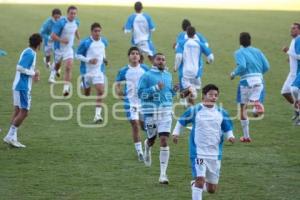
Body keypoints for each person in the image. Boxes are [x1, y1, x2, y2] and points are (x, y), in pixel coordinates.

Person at [172, 84, 235, 200]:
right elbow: (181, 121)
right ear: (204, 95)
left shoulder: (221, 112)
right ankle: (197, 185)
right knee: (200, 180)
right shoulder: (195, 110)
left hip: (215, 154)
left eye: (216, 95)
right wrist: (176, 133)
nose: (214, 97)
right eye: (211, 94)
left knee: (211, 189)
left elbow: (227, 128)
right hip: (198, 152)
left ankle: (194, 185)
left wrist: (230, 136)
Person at [138, 53, 178, 184]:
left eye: (164, 59)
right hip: (150, 112)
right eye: (159, 59)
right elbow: (140, 94)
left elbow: (168, 94)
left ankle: (163, 175)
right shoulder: (147, 76)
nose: (162, 61)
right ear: (153, 61)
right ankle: (147, 145)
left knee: (164, 140)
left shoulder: (168, 75)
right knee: (152, 139)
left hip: (165, 112)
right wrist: (155, 88)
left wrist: (174, 90)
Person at [3, 33, 42, 148]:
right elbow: (19, 67)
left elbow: (25, 68)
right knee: (24, 112)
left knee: (17, 111)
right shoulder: (31, 53)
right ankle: (10, 136)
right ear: (39, 44)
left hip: (19, 85)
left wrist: (34, 74)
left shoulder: (27, 51)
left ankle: (13, 138)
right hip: (22, 87)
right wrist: (33, 73)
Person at [230, 32, 270, 142]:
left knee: (243, 109)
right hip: (259, 81)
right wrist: (258, 73)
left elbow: (242, 66)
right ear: (250, 40)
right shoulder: (258, 51)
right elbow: (267, 66)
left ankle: (246, 136)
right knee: (254, 100)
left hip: (245, 82)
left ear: (240, 41)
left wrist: (233, 74)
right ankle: (256, 105)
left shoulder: (239, 52)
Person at [115, 47, 149, 161]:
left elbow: (151, 80)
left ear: (139, 57)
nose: (135, 55)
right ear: (129, 56)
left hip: (143, 103)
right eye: (132, 54)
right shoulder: (124, 70)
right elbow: (117, 82)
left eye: (137, 54)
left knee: (144, 125)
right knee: (135, 125)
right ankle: (140, 152)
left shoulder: (145, 69)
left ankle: (147, 134)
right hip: (130, 103)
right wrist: (119, 91)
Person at [174, 26, 214, 106]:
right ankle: (191, 107)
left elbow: (178, 56)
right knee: (195, 91)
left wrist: (175, 67)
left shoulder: (182, 43)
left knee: (183, 92)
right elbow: (211, 57)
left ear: (186, 33)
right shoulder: (200, 44)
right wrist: (208, 61)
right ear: (195, 34)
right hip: (196, 72)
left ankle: (189, 91)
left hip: (185, 72)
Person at [76, 22, 108, 123]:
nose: (97, 33)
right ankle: (84, 83)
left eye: (99, 31)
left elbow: (102, 52)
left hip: (99, 71)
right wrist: (88, 60)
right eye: (95, 31)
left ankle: (97, 115)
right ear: (91, 32)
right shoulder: (86, 42)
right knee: (87, 94)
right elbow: (77, 55)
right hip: (87, 71)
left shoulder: (104, 41)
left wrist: (104, 59)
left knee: (101, 90)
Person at [49, 5, 80, 97]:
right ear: (67, 13)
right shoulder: (61, 23)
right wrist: (62, 40)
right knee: (58, 65)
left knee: (68, 66)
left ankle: (66, 88)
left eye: (75, 13)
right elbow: (52, 35)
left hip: (69, 49)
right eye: (71, 13)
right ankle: (53, 72)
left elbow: (75, 30)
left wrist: (79, 39)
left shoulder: (76, 22)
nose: (73, 15)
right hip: (59, 48)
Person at [281, 23, 300, 120]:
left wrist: (287, 51)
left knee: (294, 91)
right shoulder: (294, 40)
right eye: (291, 28)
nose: (291, 30)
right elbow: (295, 55)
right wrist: (290, 58)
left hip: (297, 73)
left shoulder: (299, 40)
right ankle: (297, 109)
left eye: (294, 28)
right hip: (292, 72)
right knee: (284, 92)